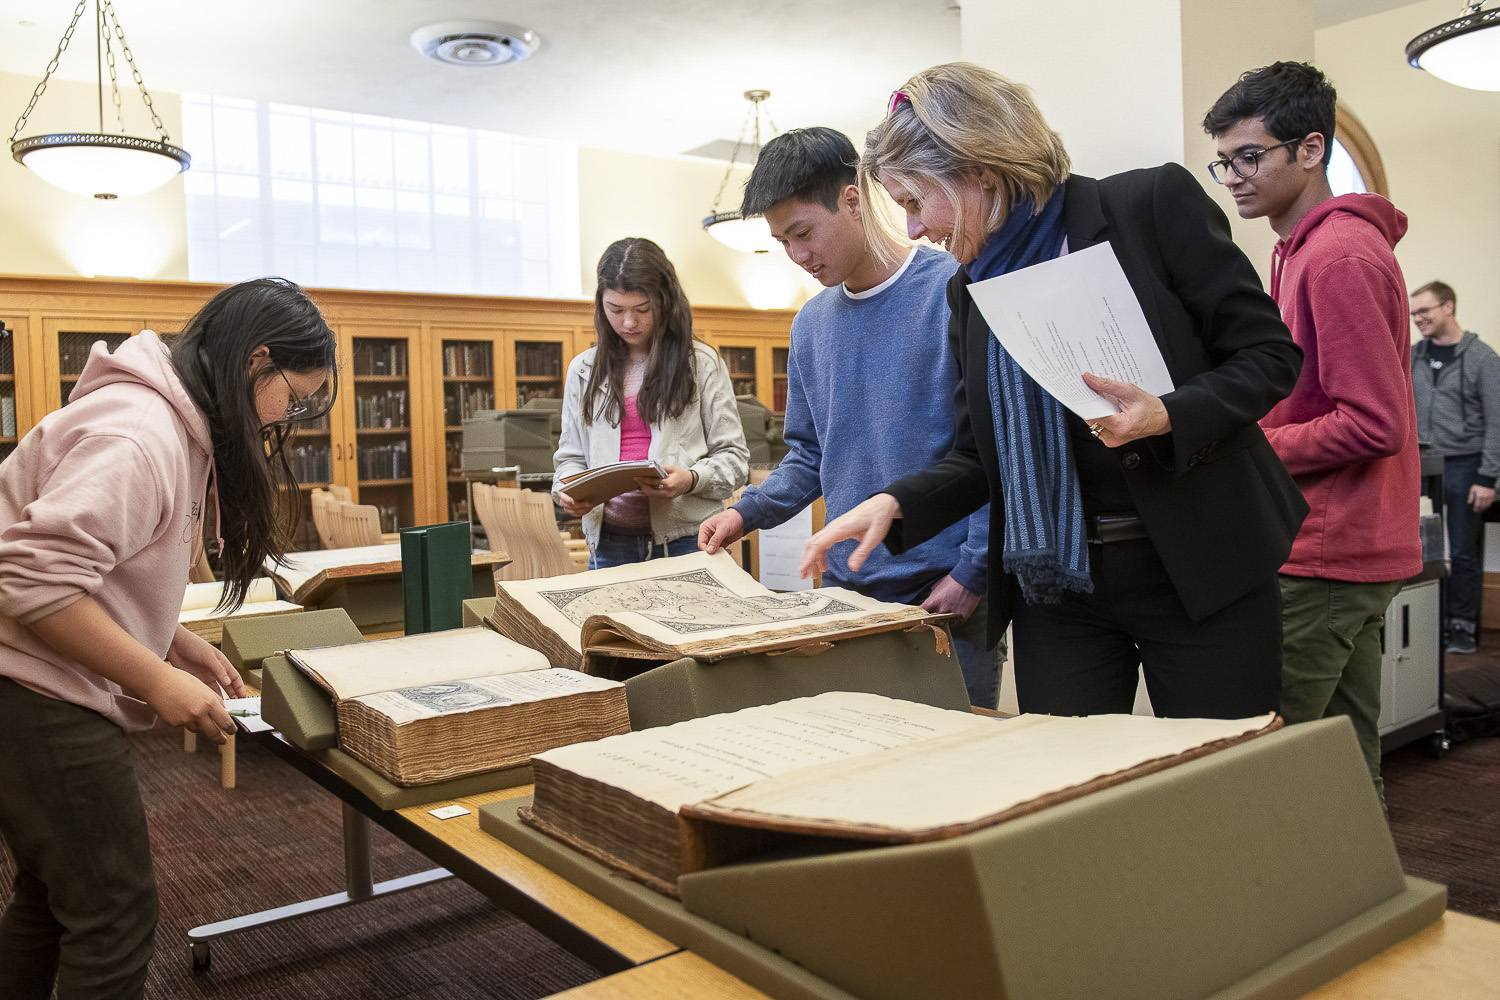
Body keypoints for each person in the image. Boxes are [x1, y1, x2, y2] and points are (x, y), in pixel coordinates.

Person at [800, 62, 1307, 721]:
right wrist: (893, 503)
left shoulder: (1149, 207)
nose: (915, 230)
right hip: (1057, 586)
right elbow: (977, 456)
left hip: (1198, 562)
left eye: (914, 202)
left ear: (978, 169)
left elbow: (1269, 355)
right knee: (1067, 791)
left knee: (1221, 787)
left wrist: (1168, 415)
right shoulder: (968, 289)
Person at [0, 276, 337, 999]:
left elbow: (101, 569)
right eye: (295, 394)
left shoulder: (168, 422)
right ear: (257, 362)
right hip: (33, 691)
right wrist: (154, 679)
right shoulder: (140, 435)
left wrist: (171, 640)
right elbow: (30, 583)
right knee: (113, 915)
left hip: (30, 678)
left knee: (52, 895)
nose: (292, 415)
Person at [696, 126, 1003, 708]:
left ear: (854, 199)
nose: (798, 256)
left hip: (944, 592)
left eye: (804, 233)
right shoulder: (811, 326)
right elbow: (811, 454)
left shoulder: (953, 289)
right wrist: (747, 513)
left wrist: (974, 572)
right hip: (847, 594)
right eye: (783, 241)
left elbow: (991, 450)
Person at [1203, 61, 1420, 796]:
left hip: (1328, 549)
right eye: (1224, 160)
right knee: (1343, 764)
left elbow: (1374, 421)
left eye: (1250, 156)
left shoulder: (1337, 256)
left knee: (1268, 769)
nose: (1233, 176)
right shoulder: (1297, 248)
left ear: (1310, 149)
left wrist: (1248, 445)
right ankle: (1370, 902)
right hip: (1339, 547)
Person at [555, 237, 748, 568]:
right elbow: (570, 458)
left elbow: (735, 460)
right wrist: (566, 491)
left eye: (642, 310)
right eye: (615, 310)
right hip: (609, 545)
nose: (628, 323)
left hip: (688, 539)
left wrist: (690, 479)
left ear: (665, 302)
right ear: (601, 304)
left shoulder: (701, 364)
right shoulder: (584, 369)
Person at [1409, 279, 1500, 654]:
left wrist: (1487, 477)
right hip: (1420, 465)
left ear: (1448, 307)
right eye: (1414, 313)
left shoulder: (1482, 359)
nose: (1418, 319)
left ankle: (1461, 628)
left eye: (1424, 311)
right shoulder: (1412, 356)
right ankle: (1428, 624)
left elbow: (1498, 421)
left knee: (1462, 550)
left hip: (1466, 467)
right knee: (1420, 550)